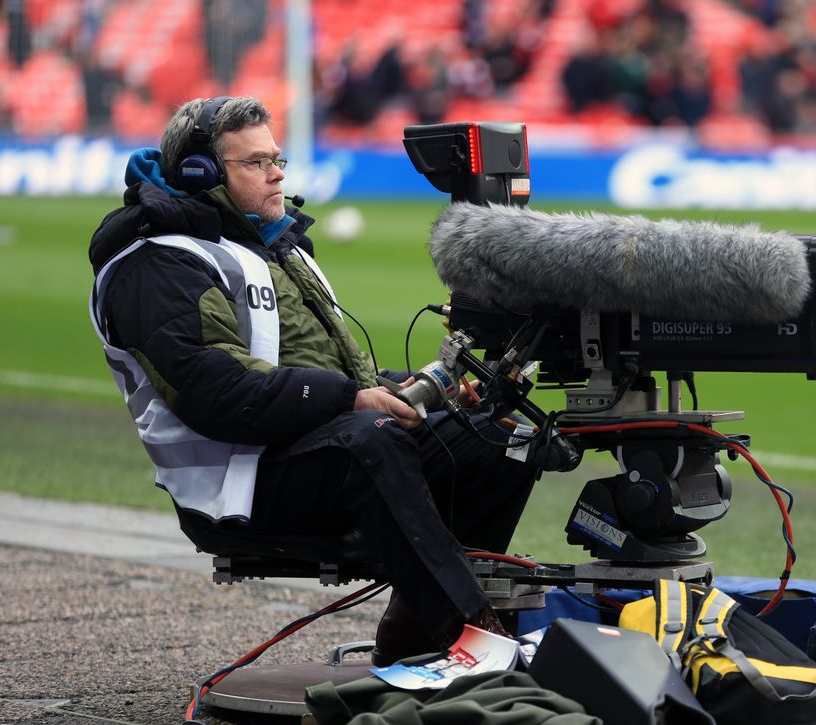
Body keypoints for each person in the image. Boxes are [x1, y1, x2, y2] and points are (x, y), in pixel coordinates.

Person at [87, 96, 540, 666]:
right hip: (237, 485)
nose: (277, 172)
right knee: (369, 439)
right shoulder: (156, 264)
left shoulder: (273, 246)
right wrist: (354, 398)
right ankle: (471, 635)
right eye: (255, 163)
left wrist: (425, 391)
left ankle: (416, 627)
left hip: (300, 448)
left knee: (500, 436)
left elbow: (329, 377)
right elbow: (216, 392)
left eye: (276, 158)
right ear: (200, 174)